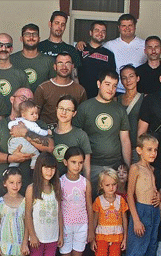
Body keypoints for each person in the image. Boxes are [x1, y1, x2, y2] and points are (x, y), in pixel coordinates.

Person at [0, 87, 54, 197]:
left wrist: (25, 133)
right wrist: (10, 158)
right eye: (22, 98)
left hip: (32, 189)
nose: (26, 102)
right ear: (12, 99)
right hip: (3, 190)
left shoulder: (38, 124)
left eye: (30, 100)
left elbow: (49, 146)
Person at [73, 70, 131, 198]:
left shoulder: (120, 110)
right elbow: (75, 137)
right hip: (92, 166)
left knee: (112, 208)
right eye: (107, 84)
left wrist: (127, 167)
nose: (111, 89)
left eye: (114, 85)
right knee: (92, 203)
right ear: (99, 84)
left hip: (115, 166)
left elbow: (125, 140)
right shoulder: (85, 107)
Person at [124, 134, 161, 256]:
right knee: (133, 252)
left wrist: (159, 196)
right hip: (140, 211)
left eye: (155, 150)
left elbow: (153, 189)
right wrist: (136, 220)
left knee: (148, 253)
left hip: (153, 212)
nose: (153, 153)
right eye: (149, 150)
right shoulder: (135, 168)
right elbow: (130, 194)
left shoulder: (152, 169)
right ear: (139, 150)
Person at [23, 152, 63, 256]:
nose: (49, 171)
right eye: (46, 168)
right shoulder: (32, 189)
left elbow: (59, 212)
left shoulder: (56, 187)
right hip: (36, 239)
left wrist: (60, 233)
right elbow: (27, 213)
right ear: (39, 168)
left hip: (52, 238)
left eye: (52, 168)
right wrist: (32, 235)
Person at [59, 147, 94, 256]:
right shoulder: (60, 182)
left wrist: (91, 230)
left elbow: (89, 206)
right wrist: (59, 231)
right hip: (66, 226)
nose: (77, 166)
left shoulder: (85, 183)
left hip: (82, 225)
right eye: (73, 162)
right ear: (65, 162)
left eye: (80, 162)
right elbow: (58, 208)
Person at [34, 52, 87, 126]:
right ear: (55, 67)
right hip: (46, 133)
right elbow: (34, 116)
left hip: (70, 133)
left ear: (72, 66)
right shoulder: (43, 88)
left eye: (67, 63)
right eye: (60, 63)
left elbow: (82, 118)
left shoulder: (80, 90)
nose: (64, 67)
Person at [93, 168, 128, 256]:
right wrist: (92, 239)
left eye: (113, 184)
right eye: (107, 185)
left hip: (117, 238)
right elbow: (95, 220)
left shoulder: (121, 200)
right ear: (101, 185)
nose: (111, 188)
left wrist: (125, 238)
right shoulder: (98, 201)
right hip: (101, 238)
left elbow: (124, 220)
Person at [0, 33, 30, 113]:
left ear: (11, 49)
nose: (4, 48)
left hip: (15, 121)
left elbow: (27, 102)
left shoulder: (20, 74)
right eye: (0, 45)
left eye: (8, 45)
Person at [103, 14, 146, 94]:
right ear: (119, 28)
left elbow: (154, 58)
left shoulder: (144, 44)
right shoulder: (109, 45)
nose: (127, 28)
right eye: (124, 26)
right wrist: (82, 44)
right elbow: (95, 50)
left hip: (139, 91)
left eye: (130, 25)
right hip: (116, 91)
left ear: (135, 27)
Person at [52, 95, 91, 176]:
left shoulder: (81, 135)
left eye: (68, 110)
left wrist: (87, 185)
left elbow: (86, 166)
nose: (63, 112)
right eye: (61, 108)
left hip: (74, 183)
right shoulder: (48, 133)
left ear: (74, 113)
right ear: (56, 109)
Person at [11, 24, 55, 93]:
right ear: (21, 39)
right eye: (27, 34)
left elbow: (54, 86)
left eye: (34, 34)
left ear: (39, 39)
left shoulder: (49, 61)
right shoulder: (12, 59)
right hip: (18, 102)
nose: (31, 37)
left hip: (42, 103)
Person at [77, 21, 116, 99]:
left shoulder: (109, 54)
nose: (100, 33)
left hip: (101, 96)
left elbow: (112, 76)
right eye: (97, 30)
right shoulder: (81, 49)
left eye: (103, 31)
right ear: (91, 33)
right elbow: (73, 71)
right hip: (81, 94)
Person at [7, 99, 51, 168]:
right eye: (32, 114)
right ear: (24, 115)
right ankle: (33, 167)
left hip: (13, 144)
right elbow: (39, 131)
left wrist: (13, 127)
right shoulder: (32, 124)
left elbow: (10, 124)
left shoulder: (18, 120)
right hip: (23, 143)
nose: (35, 116)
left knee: (16, 159)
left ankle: (12, 167)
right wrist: (47, 132)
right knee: (35, 153)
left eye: (36, 113)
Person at [118, 64, 143, 163]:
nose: (128, 80)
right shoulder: (116, 99)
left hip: (137, 148)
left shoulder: (145, 98)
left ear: (138, 78)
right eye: (124, 78)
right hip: (119, 149)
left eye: (131, 76)